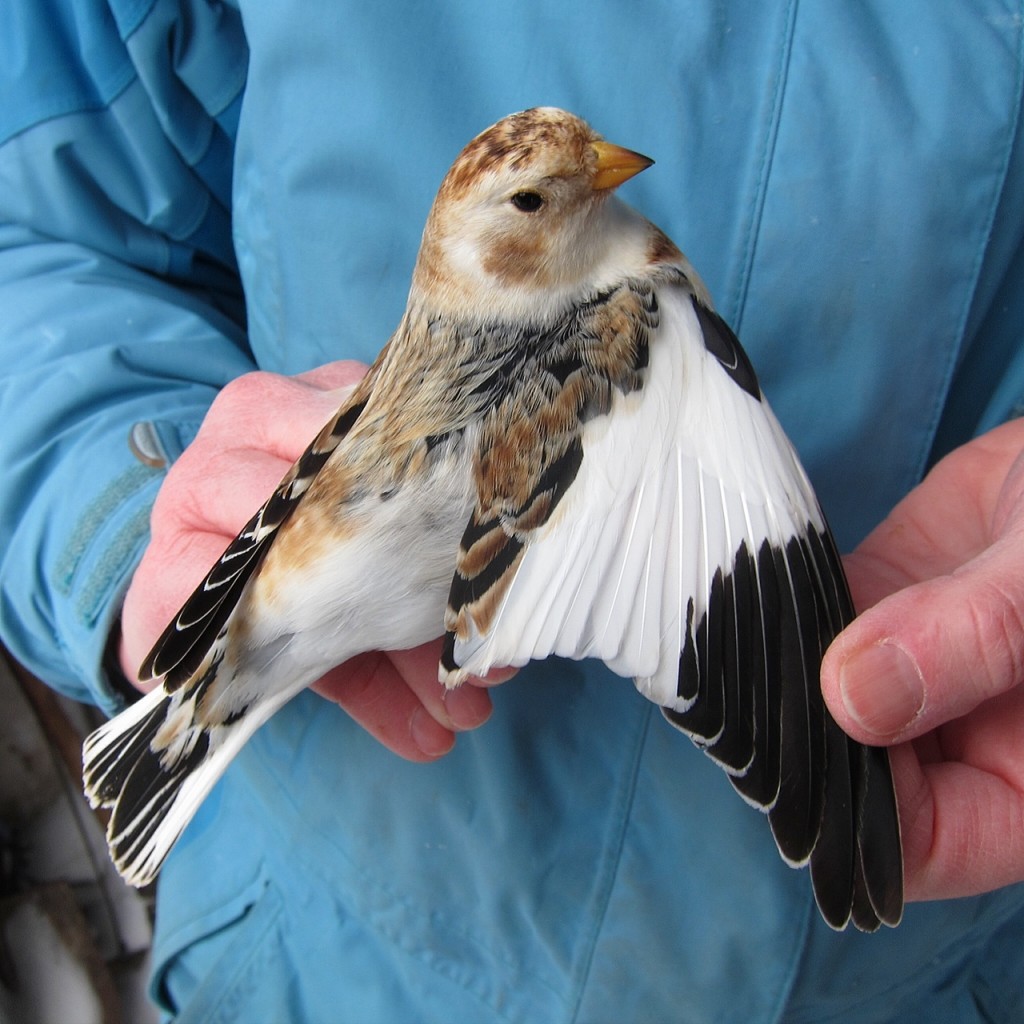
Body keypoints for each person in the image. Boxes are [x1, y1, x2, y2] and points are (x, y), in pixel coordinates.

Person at [2, 1, 1023, 1020]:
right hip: (327, 954)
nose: (610, 168)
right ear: (486, 249)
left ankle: (193, 716)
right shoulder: (636, 324)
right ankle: (196, 711)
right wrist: (131, 513)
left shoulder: (608, 304)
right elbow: (39, 236)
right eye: (544, 194)